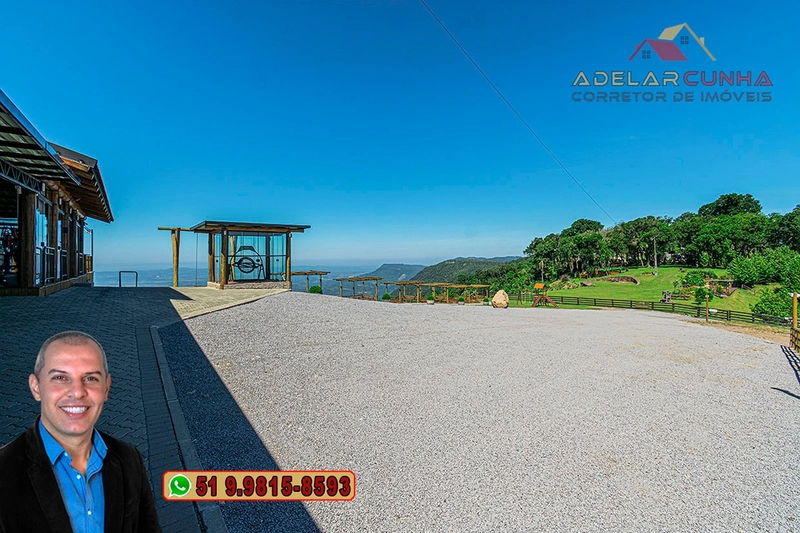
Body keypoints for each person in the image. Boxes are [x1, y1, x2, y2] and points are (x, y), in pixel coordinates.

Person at [0, 331, 162, 532]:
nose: (77, 391)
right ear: (36, 387)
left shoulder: (129, 459)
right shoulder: (5, 470)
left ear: (106, 389)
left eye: (91, 378)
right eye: (60, 377)